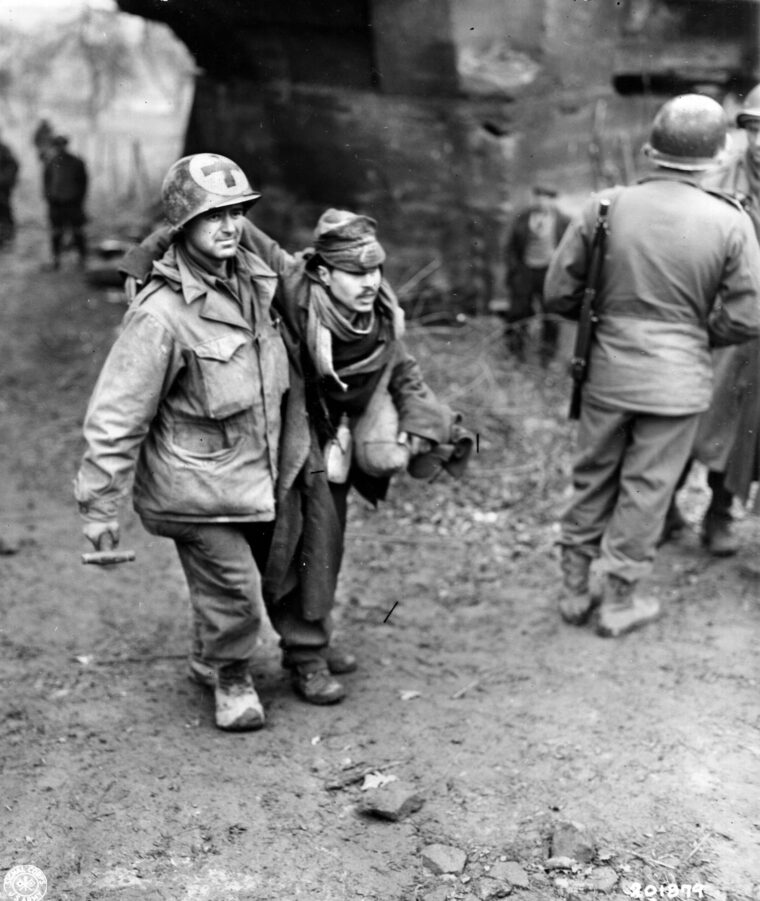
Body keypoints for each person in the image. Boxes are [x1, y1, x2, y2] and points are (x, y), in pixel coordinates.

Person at [118, 203, 472, 711]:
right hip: (292, 435)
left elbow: (404, 372)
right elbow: (225, 223)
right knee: (293, 545)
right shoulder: (295, 284)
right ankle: (303, 656)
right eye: (354, 271)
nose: (369, 281)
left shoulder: (384, 314)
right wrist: (142, 258)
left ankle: (307, 645)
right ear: (325, 272)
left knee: (323, 545)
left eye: (374, 269)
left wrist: (422, 423)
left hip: (343, 441)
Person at [75, 153, 295, 732]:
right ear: (180, 228)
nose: (229, 227)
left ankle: (209, 653)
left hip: (250, 474)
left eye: (237, 213)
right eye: (212, 217)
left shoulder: (255, 280)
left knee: (233, 582)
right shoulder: (161, 315)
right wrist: (99, 503)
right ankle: (230, 676)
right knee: (239, 592)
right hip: (192, 487)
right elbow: (116, 415)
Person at [544, 94, 760, 638]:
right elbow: (749, 313)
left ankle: (573, 587)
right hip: (680, 379)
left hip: (606, 372)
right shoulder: (729, 220)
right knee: (648, 486)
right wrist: (696, 334)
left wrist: (611, 323)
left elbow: (558, 293)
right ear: (716, 157)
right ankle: (620, 599)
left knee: (592, 474)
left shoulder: (604, 206)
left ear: (649, 149)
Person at [664, 85, 760, 556]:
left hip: (758, 338)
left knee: (748, 430)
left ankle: (719, 513)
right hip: (715, 325)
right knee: (690, 418)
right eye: (754, 129)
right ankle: (663, 510)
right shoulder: (716, 177)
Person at [504, 185, 570, 366]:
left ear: (552, 200)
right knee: (518, 313)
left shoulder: (563, 221)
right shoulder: (523, 219)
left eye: (546, 197)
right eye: (538, 197)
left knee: (550, 316)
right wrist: (515, 271)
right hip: (525, 271)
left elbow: (571, 250)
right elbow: (511, 248)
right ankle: (515, 354)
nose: (541, 201)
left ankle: (548, 357)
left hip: (549, 273)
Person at [43, 135, 88, 269]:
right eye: (57, 146)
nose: (60, 148)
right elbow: (46, 182)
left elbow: (83, 183)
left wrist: (79, 199)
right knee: (56, 232)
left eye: (62, 145)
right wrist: (50, 198)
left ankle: (82, 258)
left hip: (73, 202)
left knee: (77, 231)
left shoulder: (76, 162)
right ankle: (55, 259)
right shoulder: (51, 162)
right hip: (56, 203)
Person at [0, 132, 19, 246]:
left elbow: (13, 166)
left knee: (4, 211)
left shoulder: (4, 150)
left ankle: (6, 237)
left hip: (1, 189)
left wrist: (3, 180)